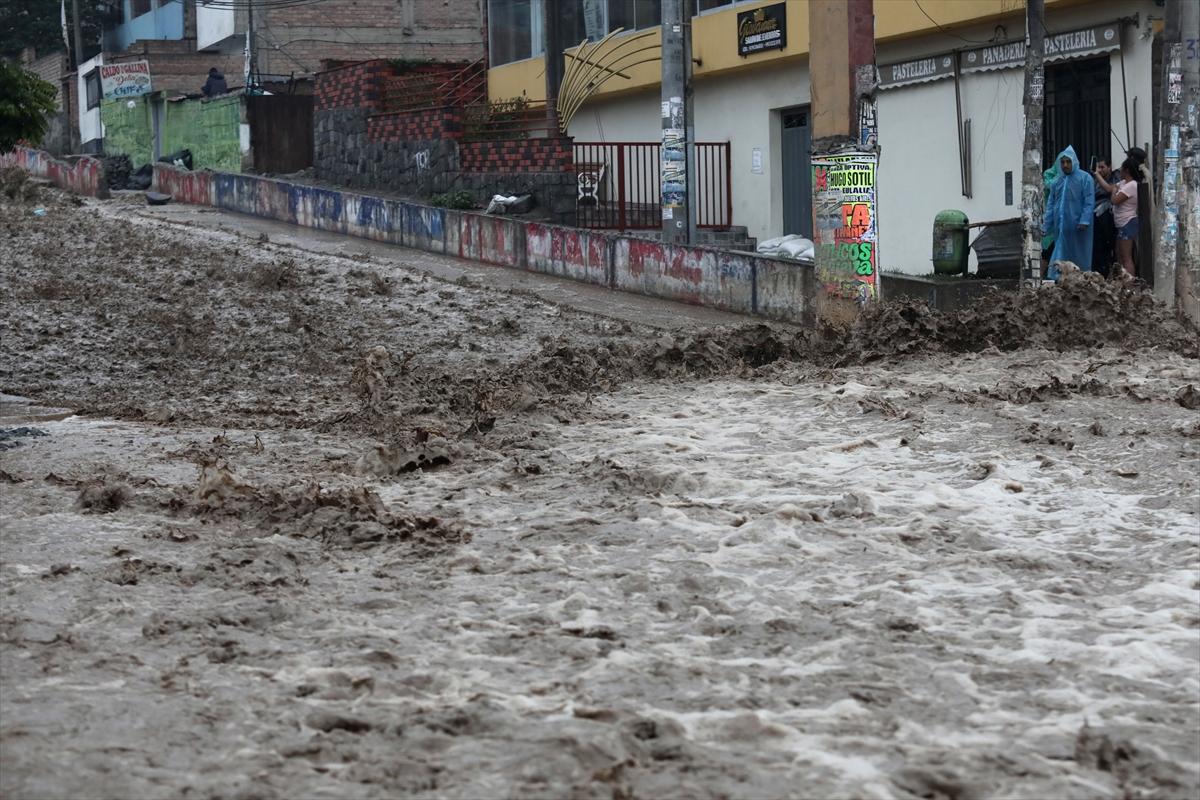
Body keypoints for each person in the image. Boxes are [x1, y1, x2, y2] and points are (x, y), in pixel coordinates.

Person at [1042, 145, 1095, 279]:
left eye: (1068, 162)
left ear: (1074, 162)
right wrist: (1046, 225)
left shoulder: (1085, 178)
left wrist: (1084, 220)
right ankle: (1058, 280)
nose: (1065, 165)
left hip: (1078, 228)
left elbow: (1089, 201)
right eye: (1063, 162)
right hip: (1061, 228)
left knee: (1079, 256)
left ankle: (1082, 281)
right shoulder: (1056, 182)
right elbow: (1051, 205)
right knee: (1060, 255)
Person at [1096, 158, 1139, 278]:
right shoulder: (1124, 183)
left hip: (1128, 222)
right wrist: (1097, 175)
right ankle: (1122, 281)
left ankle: (1130, 284)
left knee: (1126, 257)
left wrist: (1115, 191)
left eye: (1122, 169)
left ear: (1127, 170)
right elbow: (1109, 188)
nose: (1119, 171)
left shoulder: (1132, 185)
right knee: (1119, 254)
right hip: (1121, 224)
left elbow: (1114, 200)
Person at [1090, 158, 1116, 277]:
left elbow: (1109, 189)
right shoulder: (1094, 181)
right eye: (1098, 167)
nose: (1099, 170)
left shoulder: (1115, 177)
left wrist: (1097, 175)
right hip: (1094, 216)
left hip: (1107, 217)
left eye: (1102, 167)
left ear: (1109, 167)